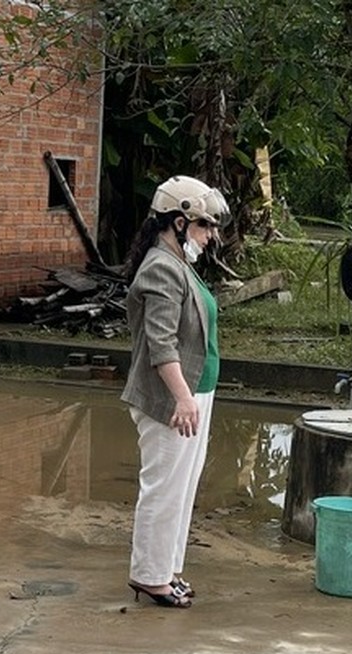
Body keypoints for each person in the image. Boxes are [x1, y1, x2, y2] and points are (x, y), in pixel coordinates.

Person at [120, 175, 229, 609]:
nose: (211, 236)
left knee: (182, 489)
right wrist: (183, 397)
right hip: (172, 400)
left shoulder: (179, 263)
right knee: (164, 489)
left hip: (193, 394)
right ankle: (149, 576)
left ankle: (168, 569)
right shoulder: (162, 268)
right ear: (178, 222)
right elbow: (161, 342)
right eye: (204, 226)